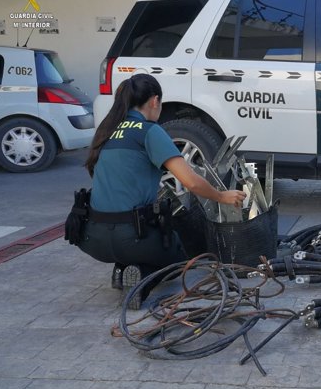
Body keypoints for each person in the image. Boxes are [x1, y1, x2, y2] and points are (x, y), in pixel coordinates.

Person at [79, 73, 245, 308]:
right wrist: (222, 196)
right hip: (130, 236)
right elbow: (191, 182)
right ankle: (141, 277)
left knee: (137, 228)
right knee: (179, 257)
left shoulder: (107, 131)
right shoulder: (149, 131)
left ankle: (121, 268)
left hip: (92, 237)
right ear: (155, 101)